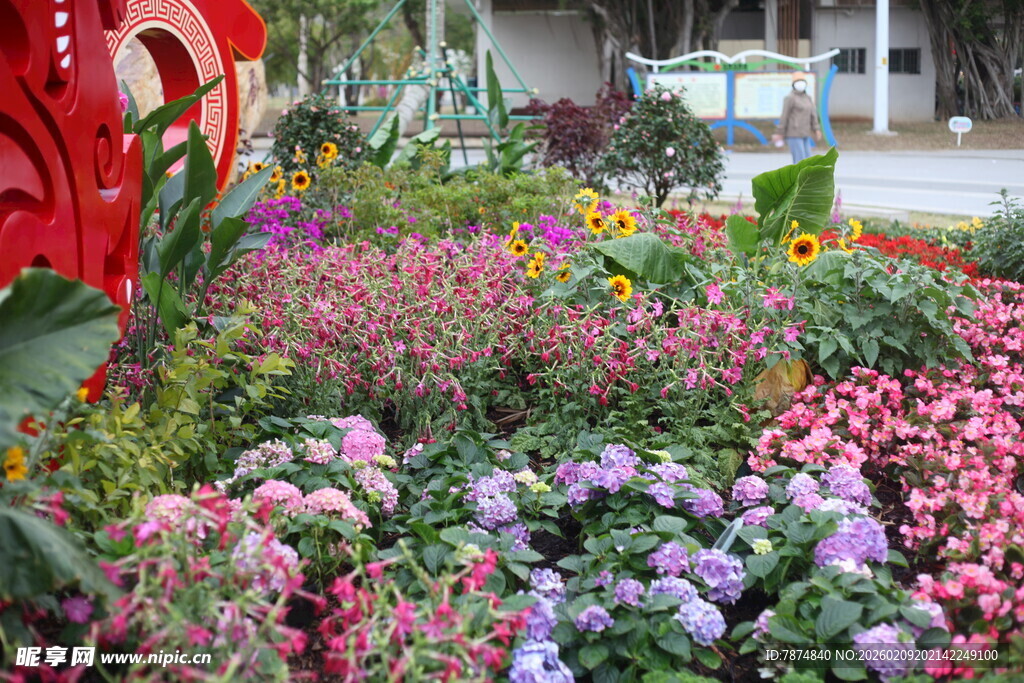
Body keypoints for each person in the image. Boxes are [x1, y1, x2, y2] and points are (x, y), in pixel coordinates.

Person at [772, 73, 822, 163]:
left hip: (805, 132)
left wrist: (816, 129)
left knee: (808, 159)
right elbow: (784, 116)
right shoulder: (790, 98)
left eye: (802, 81)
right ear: (793, 84)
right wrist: (780, 132)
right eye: (798, 81)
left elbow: (813, 115)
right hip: (794, 133)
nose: (800, 83)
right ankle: (798, 173)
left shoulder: (808, 98)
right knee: (800, 160)